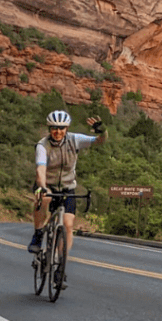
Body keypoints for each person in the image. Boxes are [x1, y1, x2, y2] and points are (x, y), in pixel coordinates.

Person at [28, 111, 107, 275]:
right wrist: (42, 187)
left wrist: (102, 131)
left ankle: (60, 262)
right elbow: (40, 169)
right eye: (54, 128)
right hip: (46, 183)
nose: (58, 132)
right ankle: (38, 233)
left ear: (67, 128)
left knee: (68, 225)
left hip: (67, 186)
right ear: (49, 129)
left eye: (62, 128)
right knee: (45, 199)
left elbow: (100, 141)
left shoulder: (74, 140)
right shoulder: (43, 146)